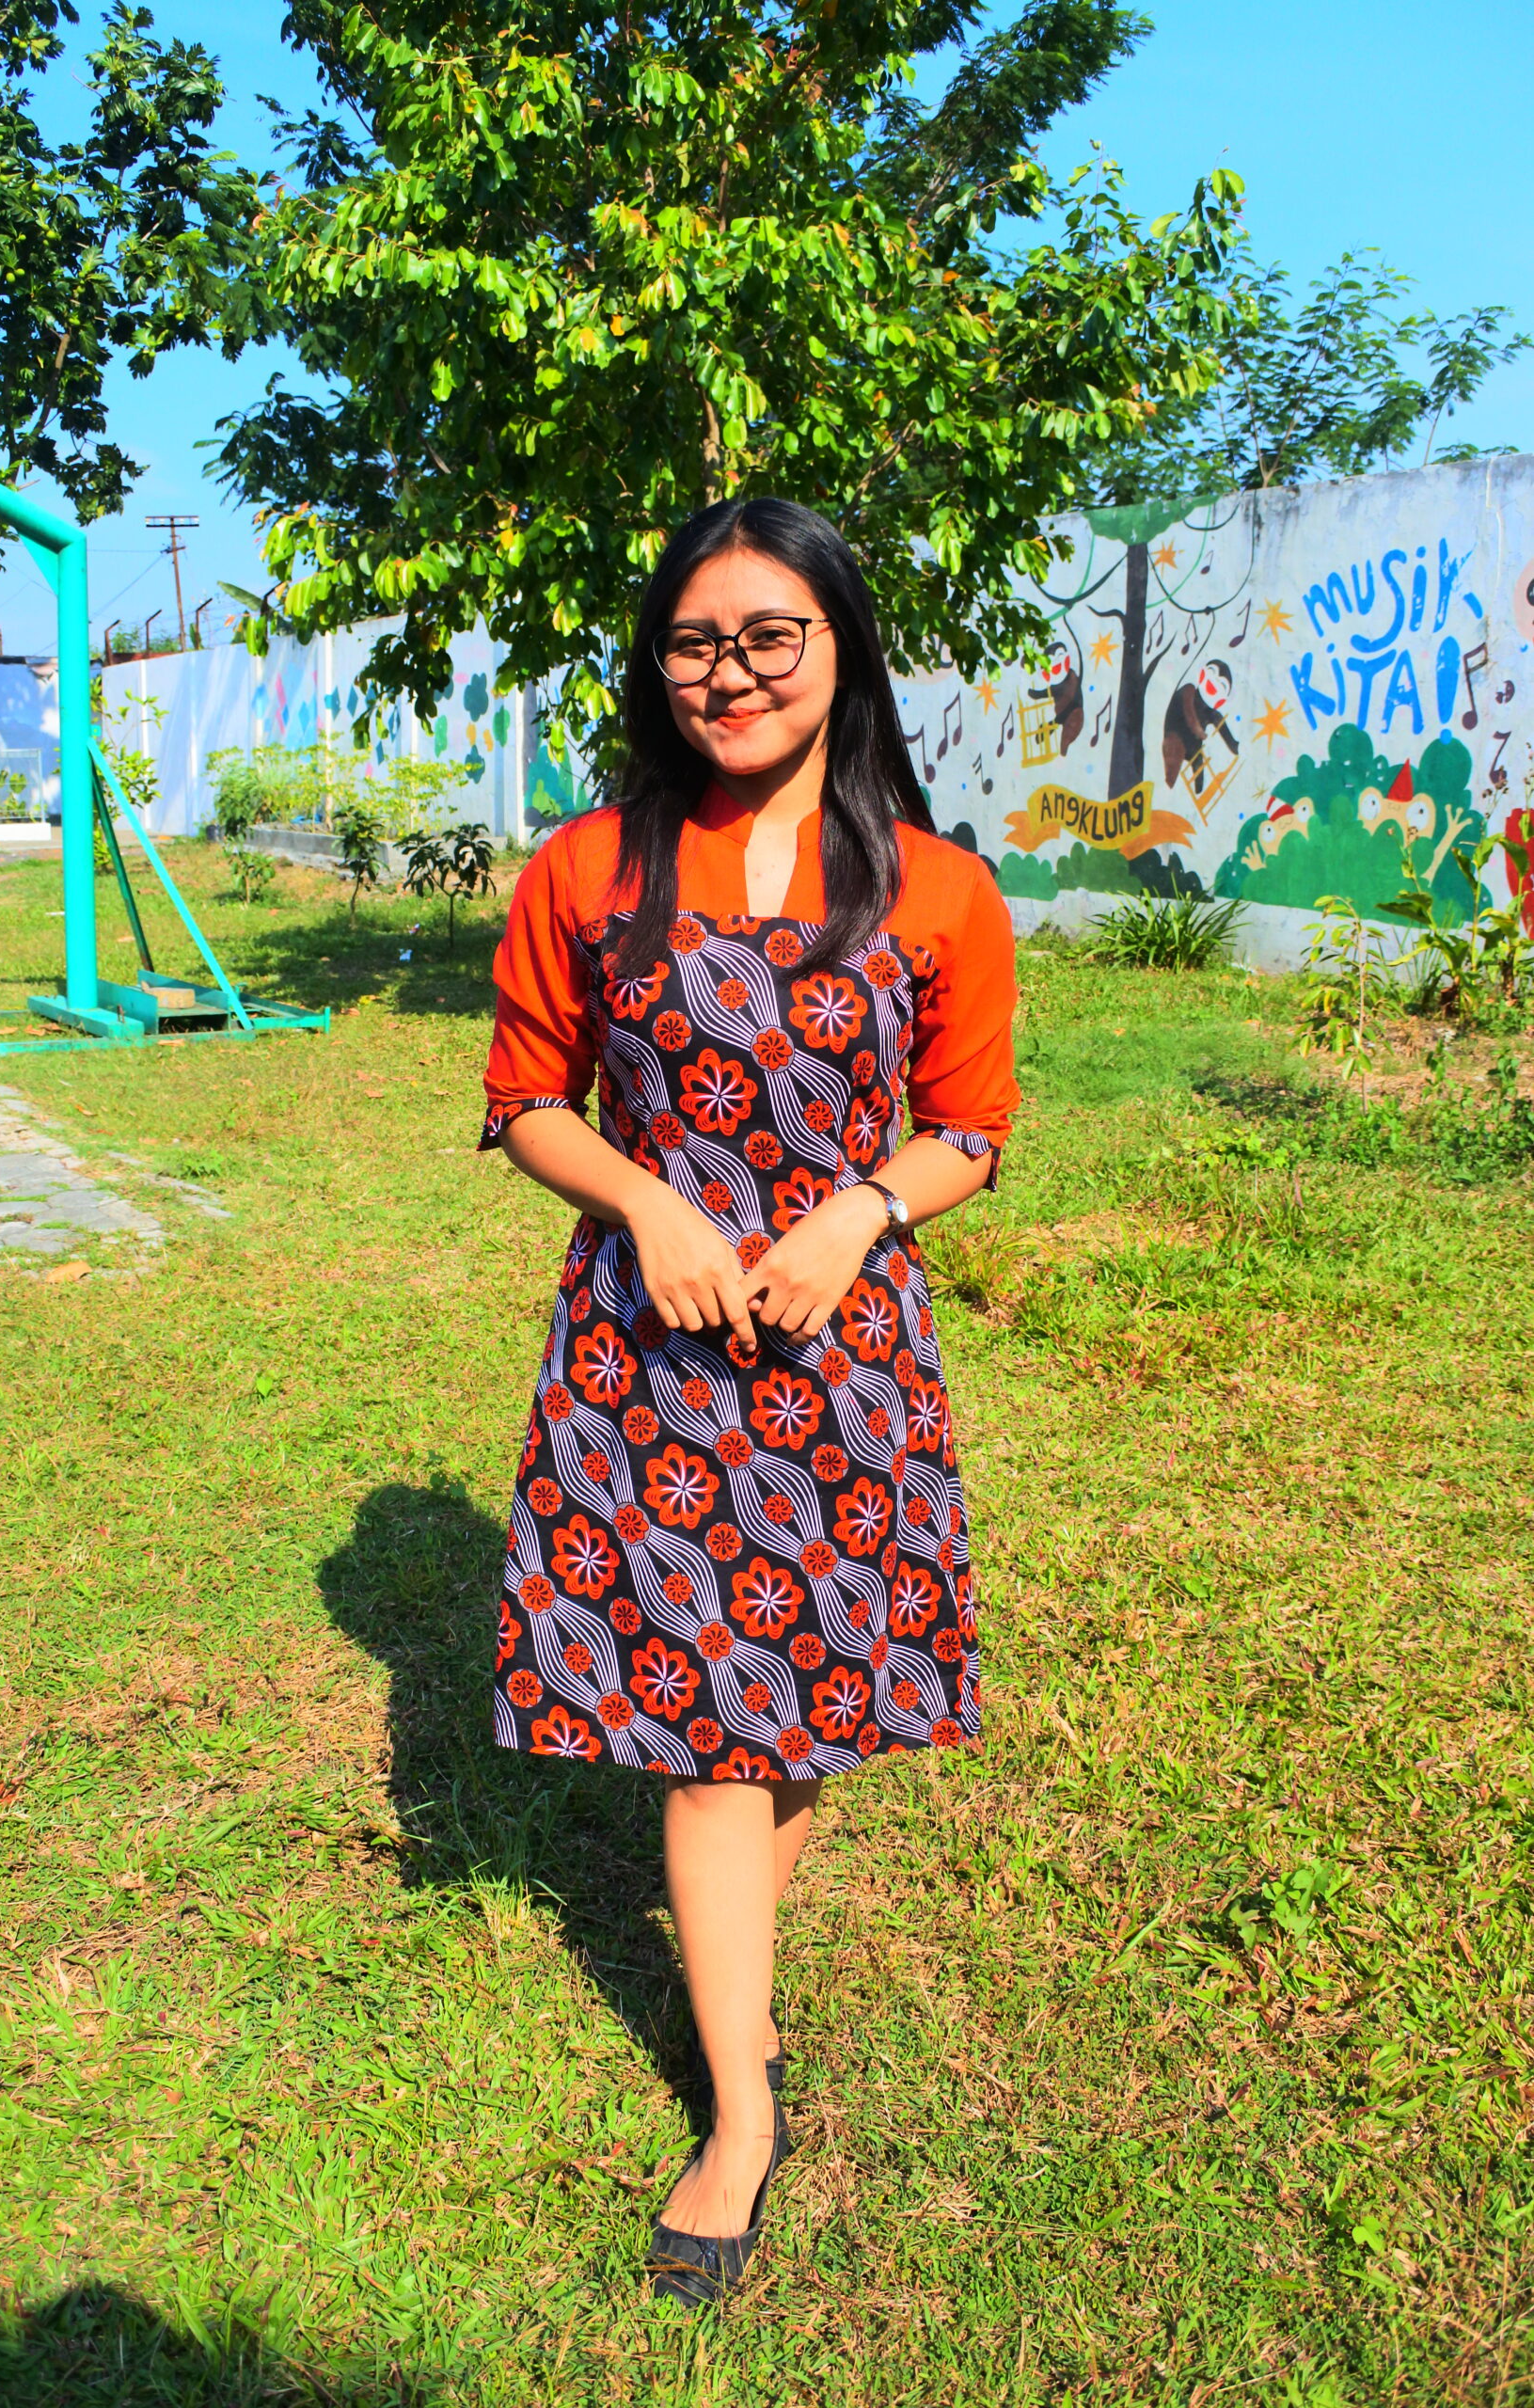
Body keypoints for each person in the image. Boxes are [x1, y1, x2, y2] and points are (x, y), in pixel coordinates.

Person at [480, 497, 1020, 2305]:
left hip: (844, 1354)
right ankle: (742, 2111)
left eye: (770, 636)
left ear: (839, 650)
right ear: (658, 667)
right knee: (717, 1738)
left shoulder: (939, 889)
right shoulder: (587, 869)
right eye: (696, 642)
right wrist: (649, 1205)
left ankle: (738, 2003)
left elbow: (968, 1129)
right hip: (653, 1349)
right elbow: (528, 1101)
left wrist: (857, 1217)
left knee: (790, 1714)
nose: (730, 674)